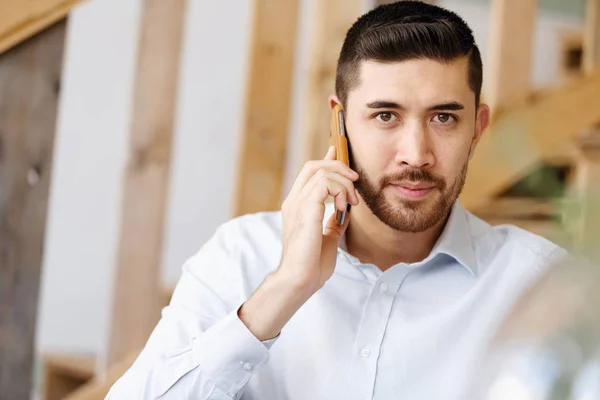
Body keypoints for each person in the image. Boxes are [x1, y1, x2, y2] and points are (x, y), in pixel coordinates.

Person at [107, 1, 568, 399]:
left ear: (477, 129)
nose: (417, 154)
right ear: (340, 125)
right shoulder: (241, 256)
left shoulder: (545, 285)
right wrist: (285, 289)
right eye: (385, 115)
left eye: (444, 118)